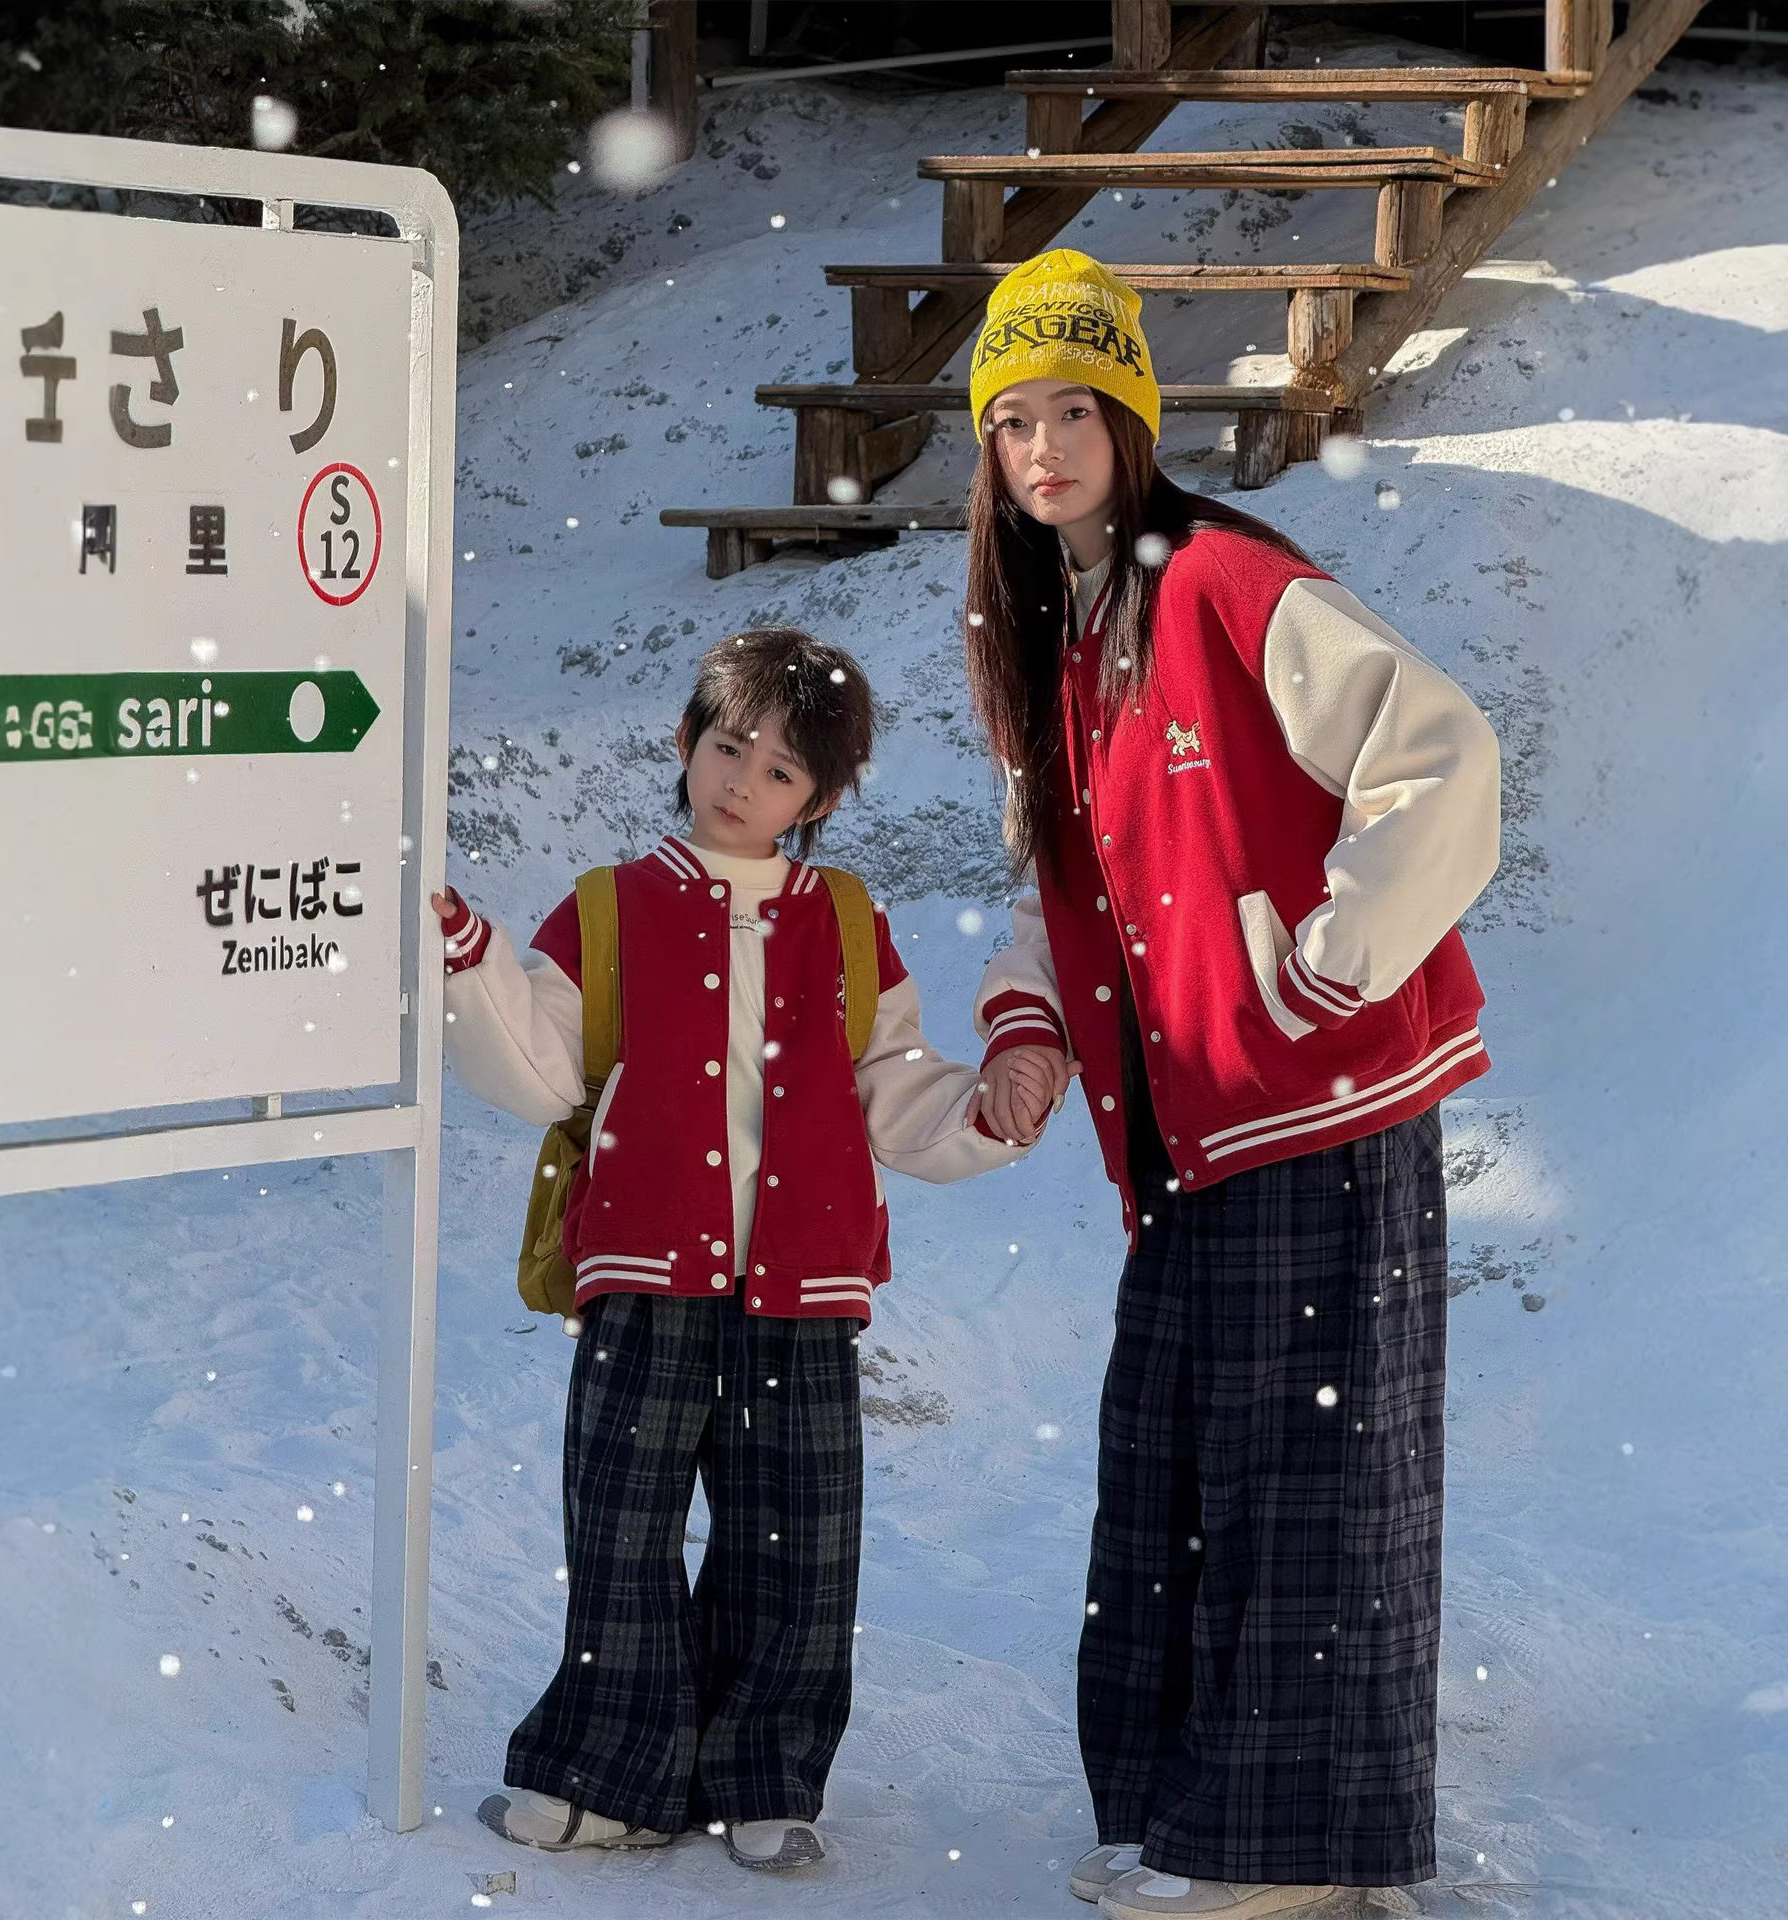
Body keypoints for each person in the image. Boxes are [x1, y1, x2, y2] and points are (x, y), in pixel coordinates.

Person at [961, 252, 1503, 1919]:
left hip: (1318, 1110)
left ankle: (1289, 1864)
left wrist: (1326, 963)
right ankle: (1188, 1814)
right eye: (1011, 420)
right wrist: (1030, 1023)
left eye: (1075, 410)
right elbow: (1062, 887)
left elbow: (1443, 749)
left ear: (1132, 421)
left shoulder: (1219, 579)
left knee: (1305, 1483)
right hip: (1191, 1140)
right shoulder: (1060, 642)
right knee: (1173, 1469)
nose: (1044, 445)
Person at [433, 626, 1052, 1876]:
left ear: (816, 799)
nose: (742, 781)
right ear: (686, 743)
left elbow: (891, 1087)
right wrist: (468, 957)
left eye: (778, 770)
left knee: (802, 1541)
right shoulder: (610, 907)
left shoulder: (846, 920)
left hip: (806, 1285)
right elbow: (543, 1059)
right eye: (727, 746)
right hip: (645, 1270)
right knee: (621, 1525)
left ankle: (766, 1773)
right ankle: (610, 1771)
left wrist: (981, 1113)